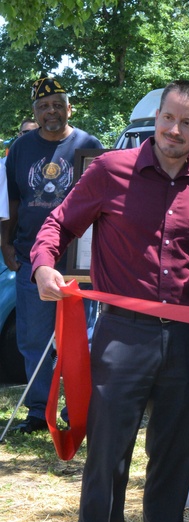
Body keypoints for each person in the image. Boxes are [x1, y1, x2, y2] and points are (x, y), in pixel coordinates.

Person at [31, 80, 189, 522]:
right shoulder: (110, 171)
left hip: (187, 341)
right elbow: (56, 225)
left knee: (173, 462)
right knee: (107, 462)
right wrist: (44, 267)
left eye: (188, 124)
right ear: (156, 118)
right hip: (121, 338)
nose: (175, 131)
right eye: (168, 118)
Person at [3, 76, 101, 434]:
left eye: (58, 104)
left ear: (69, 108)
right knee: (33, 337)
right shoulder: (21, 147)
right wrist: (6, 242)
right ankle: (37, 410)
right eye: (44, 106)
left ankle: (77, 410)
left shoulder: (88, 144)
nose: (51, 111)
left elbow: (99, 200)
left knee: (80, 339)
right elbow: (11, 200)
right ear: (35, 111)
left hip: (76, 261)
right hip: (32, 259)